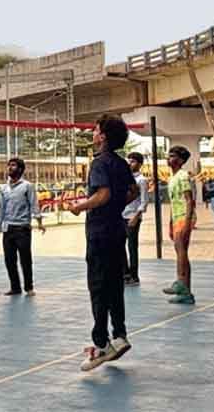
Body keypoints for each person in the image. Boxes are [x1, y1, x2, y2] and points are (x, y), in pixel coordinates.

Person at [68, 115, 139, 372]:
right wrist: (117, 205)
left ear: (104, 137)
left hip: (99, 232)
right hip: (117, 229)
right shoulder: (121, 164)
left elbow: (103, 193)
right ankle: (119, 335)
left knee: (98, 287)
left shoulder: (99, 163)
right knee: (114, 284)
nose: (93, 133)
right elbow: (133, 192)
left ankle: (100, 344)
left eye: (96, 130)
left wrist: (80, 206)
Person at [0, 158, 45, 297]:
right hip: (8, 229)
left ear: (21, 169)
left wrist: (39, 222)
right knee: (9, 260)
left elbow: (34, 204)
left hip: (22, 229)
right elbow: (1, 208)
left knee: (25, 260)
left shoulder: (27, 186)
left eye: (13, 165)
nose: (10, 168)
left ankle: (29, 287)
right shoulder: (4, 188)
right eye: (9, 165)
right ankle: (15, 287)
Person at [162, 146, 197, 305]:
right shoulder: (173, 177)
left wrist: (188, 221)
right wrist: (171, 221)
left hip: (184, 216)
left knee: (181, 248)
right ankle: (186, 292)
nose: (169, 158)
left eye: (173, 156)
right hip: (177, 217)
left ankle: (180, 282)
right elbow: (173, 202)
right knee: (181, 251)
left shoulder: (183, 176)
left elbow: (189, 200)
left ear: (181, 160)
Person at [122, 152, 148, 287]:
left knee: (132, 247)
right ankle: (124, 274)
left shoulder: (141, 180)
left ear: (139, 164)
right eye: (129, 161)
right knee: (119, 246)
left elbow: (144, 201)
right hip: (121, 216)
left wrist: (136, 217)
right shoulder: (124, 178)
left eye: (133, 161)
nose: (130, 164)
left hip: (133, 216)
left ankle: (134, 275)